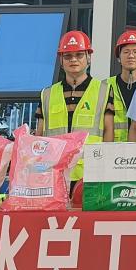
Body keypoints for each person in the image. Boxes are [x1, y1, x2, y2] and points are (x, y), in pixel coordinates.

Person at [35, 30, 113, 180]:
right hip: (54, 173)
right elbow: (39, 135)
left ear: (89, 57)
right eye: (68, 56)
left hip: (89, 173)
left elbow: (109, 131)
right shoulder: (47, 94)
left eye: (79, 55)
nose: (73, 60)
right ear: (61, 60)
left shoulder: (104, 90)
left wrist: (105, 167)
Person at [107, 28, 136, 142]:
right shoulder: (105, 86)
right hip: (114, 148)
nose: (131, 56)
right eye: (126, 52)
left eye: (135, 52)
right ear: (118, 58)